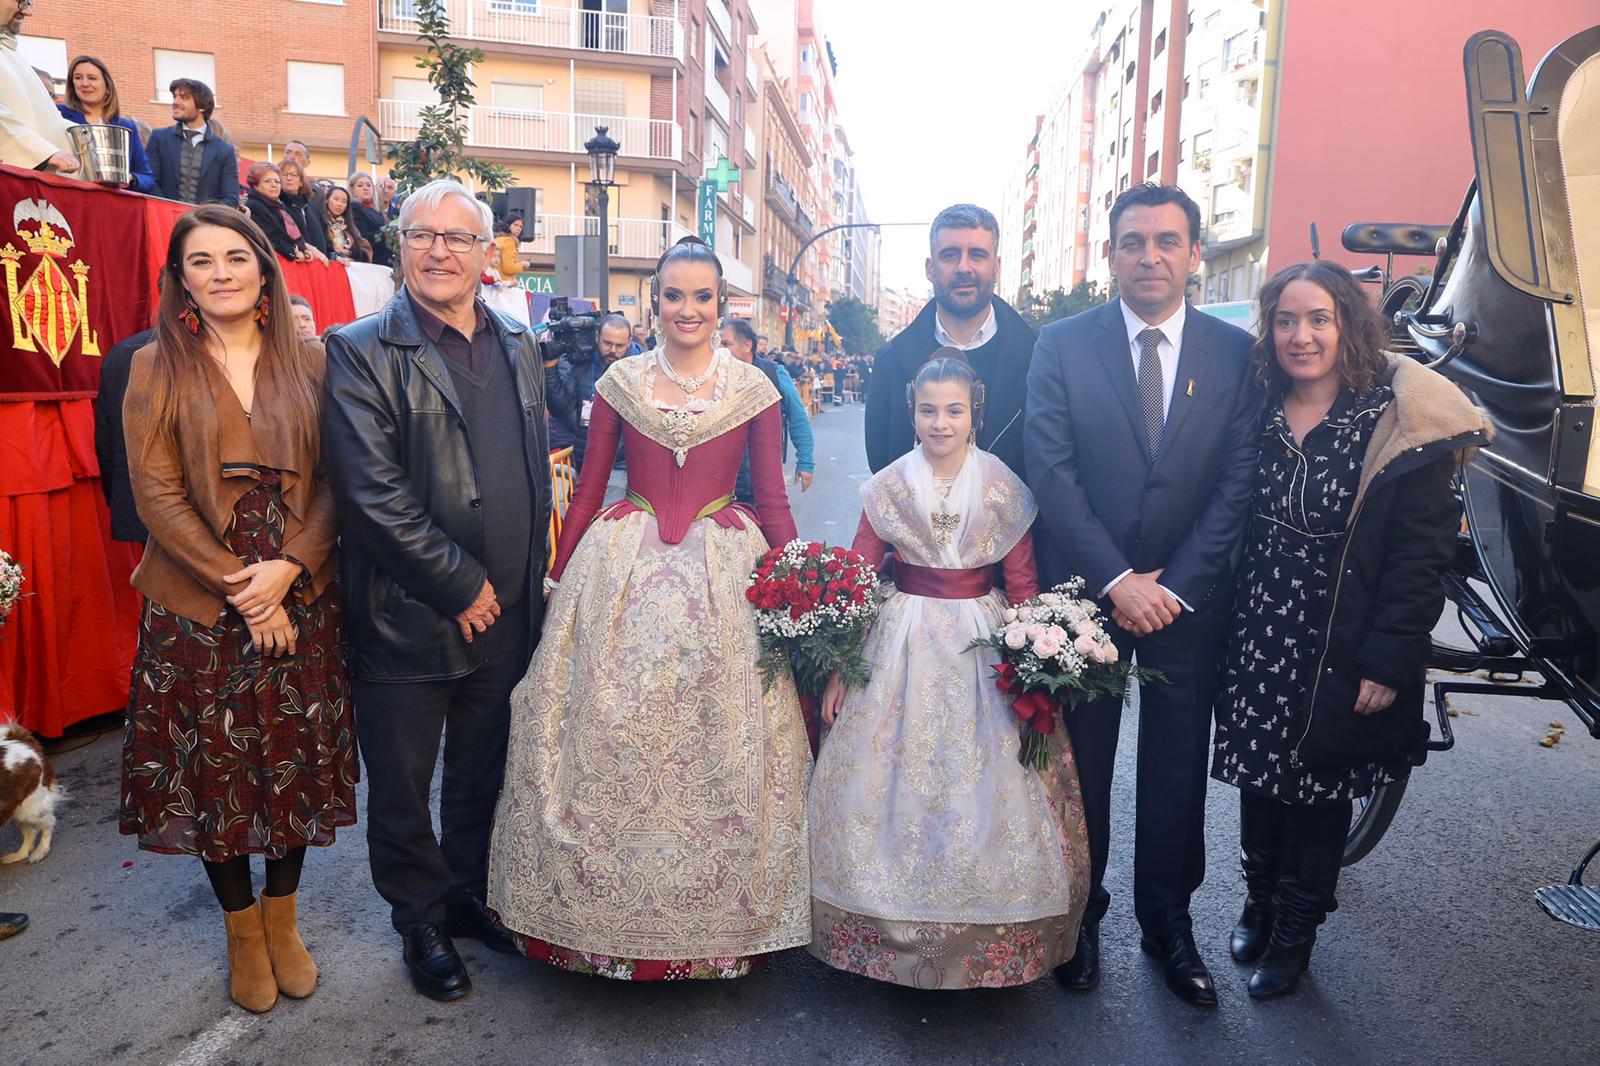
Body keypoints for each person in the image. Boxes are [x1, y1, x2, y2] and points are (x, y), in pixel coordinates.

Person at [487, 236, 810, 981]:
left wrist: (799, 588)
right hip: (620, 566)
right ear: (653, 301)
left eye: (703, 297)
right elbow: (591, 488)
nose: (687, 310)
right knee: (607, 729)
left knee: (718, 740)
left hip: (726, 570)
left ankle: (714, 924)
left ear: (721, 305)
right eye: (674, 295)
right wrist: (560, 579)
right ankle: (596, 920)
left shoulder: (756, 386)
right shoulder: (619, 382)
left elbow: (774, 498)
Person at [1211, 261, 1488, 998]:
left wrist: (1389, 658)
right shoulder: (1259, 404)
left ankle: (1296, 932)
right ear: (1268, 332)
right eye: (1286, 321)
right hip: (1259, 624)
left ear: (1348, 327)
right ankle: (1259, 900)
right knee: (1260, 775)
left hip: (1341, 630)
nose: (1301, 336)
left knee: (1320, 781)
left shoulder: (1393, 420)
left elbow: (1420, 554)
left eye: (1319, 319)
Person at [1024, 183, 1259, 1008]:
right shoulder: (1060, 344)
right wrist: (1118, 581)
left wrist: (1177, 585)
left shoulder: (1235, 355)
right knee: (1081, 765)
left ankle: (1169, 924)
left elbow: (1239, 481)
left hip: (1188, 603)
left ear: (1196, 253)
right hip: (1089, 598)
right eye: (1133, 241)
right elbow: (1049, 469)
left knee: (1174, 768)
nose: (1149, 256)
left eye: (1167, 241)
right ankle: (1078, 919)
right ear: (1111, 254)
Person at [321, 179, 552, 1003]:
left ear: (488, 255)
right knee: (404, 781)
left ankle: (464, 894)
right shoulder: (357, 349)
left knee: (482, 766)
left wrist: (527, 577)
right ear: (399, 247)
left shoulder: (520, 340)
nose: (440, 250)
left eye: (459, 238)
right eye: (423, 235)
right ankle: (418, 919)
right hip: (409, 615)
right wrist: (461, 584)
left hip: (512, 610)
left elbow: (534, 464)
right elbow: (369, 492)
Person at [120, 205, 355, 1014]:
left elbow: (338, 483)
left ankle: (284, 923)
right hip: (197, 603)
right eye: (200, 261)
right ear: (179, 279)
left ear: (263, 269)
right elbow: (154, 492)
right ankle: (242, 932)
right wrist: (243, 588)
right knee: (217, 775)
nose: (219, 272)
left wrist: (289, 569)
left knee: (293, 764)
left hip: (302, 592)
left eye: (234, 257)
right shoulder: (156, 366)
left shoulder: (317, 362)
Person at [808, 352, 1090, 988]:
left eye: (954, 411)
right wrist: (841, 670)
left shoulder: (1003, 487)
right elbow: (858, 576)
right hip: (900, 637)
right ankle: (879, 922)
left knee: (984, 782)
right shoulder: (887, 486)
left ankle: (989, 925)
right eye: (928, 410)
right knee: (886, 780)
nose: (941, 423)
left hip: (981, 645)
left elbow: (1022, 586)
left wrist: (1035, 667)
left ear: (974, 415)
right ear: (911, 413)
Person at [865, 204, 1036, 478]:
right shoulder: (891, 362)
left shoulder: (1041, 359)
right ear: (930, 268)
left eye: (977, 255)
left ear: (997, 267)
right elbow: (882, 466)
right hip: (917, 520)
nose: (963, 268)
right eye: (950, 255)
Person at [720, 317, 814, 498]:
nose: (720, 351)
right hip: (724, 476)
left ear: (747, 345)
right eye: (718, 344)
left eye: (726, 344)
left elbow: (797, 417)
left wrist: (805, 463)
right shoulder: (715, 375)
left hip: (764, 470)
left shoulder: (774, 373)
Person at [94, 326, 156, 545]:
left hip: (142, 498)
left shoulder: (122, 351)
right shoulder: (209, 344)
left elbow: (105, 438)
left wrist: (119, 495)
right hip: (202, 506)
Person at [0, 0, 76, 175]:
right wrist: (44, 153)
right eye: (20, 1)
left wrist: (85, 134)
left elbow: (41, 116)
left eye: (29, 3)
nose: (28, 12)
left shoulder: (13, 54)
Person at [56, 56, 154, 192]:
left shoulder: (126, 127)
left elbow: (147, 178)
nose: (84, 83)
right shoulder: (58, 114)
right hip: (66, 197)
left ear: (107, 87)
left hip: (109, 205)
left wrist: (127, 177)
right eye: (78, 78)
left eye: (92, 78)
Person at [147, 79, 239, 204]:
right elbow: (150, 182)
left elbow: (231, 199)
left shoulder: (225, 150)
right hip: (163, 218)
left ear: (202, 106)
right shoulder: (159, 138)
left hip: (205, 221)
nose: (175, 102)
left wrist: (203, 217)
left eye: (183, 97)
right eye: (175, 97)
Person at [572, 312, 632, 468]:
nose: (613, 350)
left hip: (619, 464)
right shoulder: (583, 364)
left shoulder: (639, 372)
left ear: (629, 342)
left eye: (620, 346)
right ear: (597, 337)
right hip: (584, 458)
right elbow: (563, 409)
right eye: (607, 343)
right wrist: (550, 368)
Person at [244, 163, 315, 263]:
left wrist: (303, 250)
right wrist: (292, 252)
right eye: (267, 181)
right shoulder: (254, 205)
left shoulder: (277, 206)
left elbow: (289, 235)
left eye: (277, 182)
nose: (274, 185)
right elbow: (267, 237)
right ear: (255, 185)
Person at [278, 160, 329, 259]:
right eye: (284, 175)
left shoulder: (312, 208)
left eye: (294, 175)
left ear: (301, 182)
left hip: (319, 266)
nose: (289, 178)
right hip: (296, 263)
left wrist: (335, 256)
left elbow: (326, 239)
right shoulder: (278, 207)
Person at [348, 172, 392, 266]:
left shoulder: (375, 210)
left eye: (369, 185)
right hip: (369, 261)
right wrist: (385, 234)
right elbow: (363, 236)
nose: (365, 188)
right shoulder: (354, 207)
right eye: (360, 185)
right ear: (352, 189)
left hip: (383, 260)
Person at [322, 186, 371, 262]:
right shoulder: (321, 221)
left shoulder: (350, 226)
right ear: (327, 200)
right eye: (336, 199)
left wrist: (349, 253)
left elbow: (364, 251)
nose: (339, 204)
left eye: (344, 201)